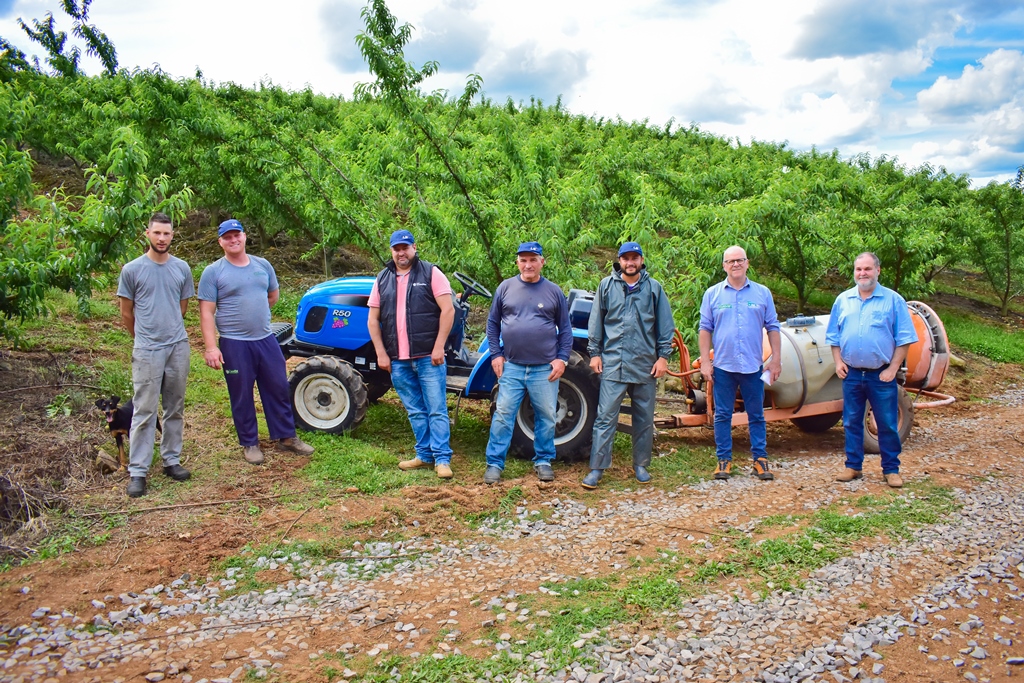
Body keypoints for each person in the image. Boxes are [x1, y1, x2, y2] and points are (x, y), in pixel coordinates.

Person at [198, 219, 314, 465]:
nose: (233, 240)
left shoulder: (263, 265)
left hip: (265, 338)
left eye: (236, 235)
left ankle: (286, 437)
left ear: (244, 236)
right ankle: (250, 442)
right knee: (241, 394)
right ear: (220, 242)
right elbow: (207, 312)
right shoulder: (214, 272)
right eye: (227, 237)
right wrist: (211, 347)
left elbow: (272, 296)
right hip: (234, 343)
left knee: (278, 387)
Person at [581, 242, 674, 489]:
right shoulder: (606, 286)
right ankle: (597, 468)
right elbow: (596, 322)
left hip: (645, 364)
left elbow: (665, 326)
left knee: (643, 418)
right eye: (626, 258)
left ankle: (641, 465)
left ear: (642, 260)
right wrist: (595, 353)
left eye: (635, 258)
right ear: (619, 261)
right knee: (605, 417)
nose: (630, 263)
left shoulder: (654, 289)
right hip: (613, 363)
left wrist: (663, 357)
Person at [367, 229, 456, 479]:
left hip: (429, 356)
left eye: (405, 247)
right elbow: (373, 320)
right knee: (415, 410)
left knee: (436, 408)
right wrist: (381, 354)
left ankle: (442, 459)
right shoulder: (382, 278)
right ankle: (424, 455)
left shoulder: (431, 273)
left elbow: (448, 310)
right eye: (396, 248)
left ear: (414, 248)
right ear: (391, 250)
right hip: (397, 360)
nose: (401, 252)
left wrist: (439, 346)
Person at [117, 212, 195, 498]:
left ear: (172, 235)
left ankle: (171, 460)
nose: (162, 238)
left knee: (175, 406)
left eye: (167, 233)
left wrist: (169, 331)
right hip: (147, 349)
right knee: (145, 409)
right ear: (147, 233)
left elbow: (182, 307)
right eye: (157, 233)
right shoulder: (132, 270)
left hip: (177, 346)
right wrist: (144, 339)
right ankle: (138, 471)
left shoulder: (182, 268)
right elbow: (126, 313)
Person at [826, 252, 918, 488]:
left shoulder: (893, 300)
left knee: (886, 423)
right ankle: (853, 467)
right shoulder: (843, 300)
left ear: (878, 271)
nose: (862, 273)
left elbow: (905, 338)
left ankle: (891, 470)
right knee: (851, 421)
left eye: (867, 269)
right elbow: (833, 337)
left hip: (881, 374)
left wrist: (893, 368)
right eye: (858, 269)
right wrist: (838, 362)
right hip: (852, 374)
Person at [483, 242, 572, 484]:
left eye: (533, 259)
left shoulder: (553, 291)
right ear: (517, 262)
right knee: (503, 414)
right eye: (523, 260)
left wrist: (562, 359)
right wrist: (496, 354)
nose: (528, 264)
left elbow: (565, 329)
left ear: (542, 262)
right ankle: (494, 463)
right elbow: (492, 324)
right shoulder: (505, 288)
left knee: (546, 415)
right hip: (511, 366)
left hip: (544, 368)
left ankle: (543, 460)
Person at [699, 245, 782, 481]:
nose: (735, 264)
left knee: (756, 414)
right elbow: (705, 329)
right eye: (730, 261)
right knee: (722, 414)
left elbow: (773, 327)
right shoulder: (713, 294)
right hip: (723, 366)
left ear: (747, 263)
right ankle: (723, 460)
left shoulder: (762, 293)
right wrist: (705, 361)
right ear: (724, 266)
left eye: (740, 260)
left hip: (753, 366)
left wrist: (776, 360)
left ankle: (760, 460)